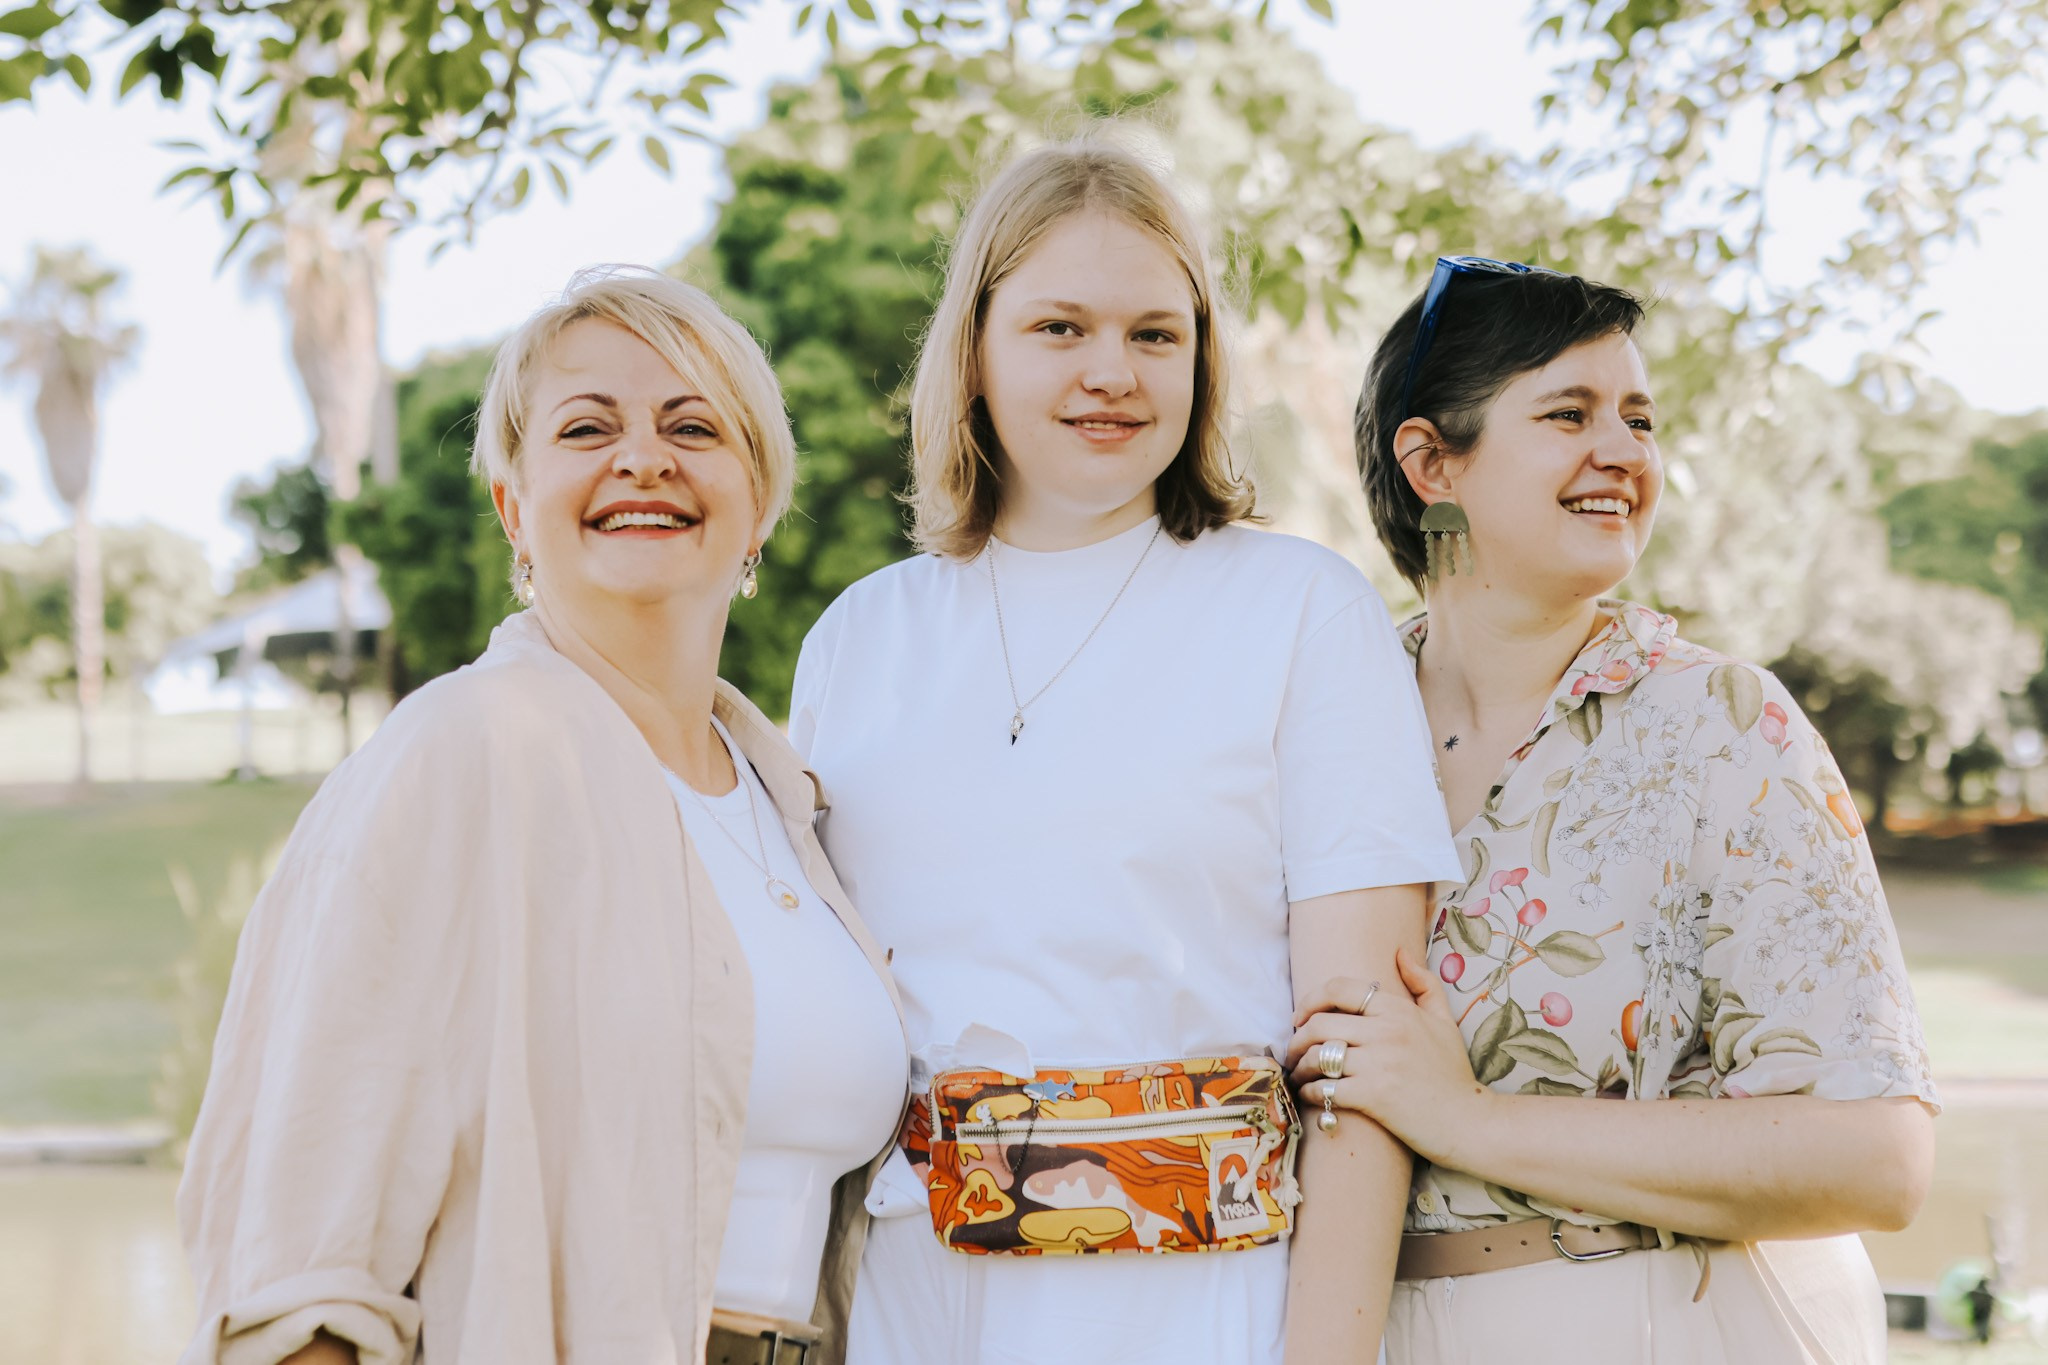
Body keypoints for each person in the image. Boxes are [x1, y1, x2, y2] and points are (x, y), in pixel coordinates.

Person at [788, 139, 1462, 1365]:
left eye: (1155, 334)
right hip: (908, 1299)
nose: (1111, 372)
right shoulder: (858, 638)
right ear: (975, 349)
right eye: (1059, 328)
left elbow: (1366, 1067)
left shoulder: (1299, 611)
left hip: (1200, 1303)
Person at [177, 266, 908, 1365]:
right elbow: (302, 1254)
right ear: (515, 509)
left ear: (758, 503)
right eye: (587, 427)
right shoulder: (462, 756)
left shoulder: (793, 806)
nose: (644, 458)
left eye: (692, 425)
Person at [1290, 256, 1940, 1362]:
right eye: (1567, 413)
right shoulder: (1314, 728)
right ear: (1429, 460)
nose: (1624, 452)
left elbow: (1876, 1161)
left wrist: (1468, 1120)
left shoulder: (1722, 724)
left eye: (1638, 419)